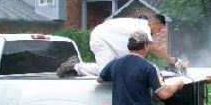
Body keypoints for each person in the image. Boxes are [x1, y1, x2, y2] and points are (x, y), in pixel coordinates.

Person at [57, 14, 185, 77]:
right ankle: (75, 66)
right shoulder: (144, 27)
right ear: (155, 24)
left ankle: (77, 67)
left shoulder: (140, 26)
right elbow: (151, 47)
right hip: (101, 38)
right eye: (160, 29)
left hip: (111, 42)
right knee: (104, 71)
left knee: (119, 68)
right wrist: (172, 60)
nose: (159, 32)